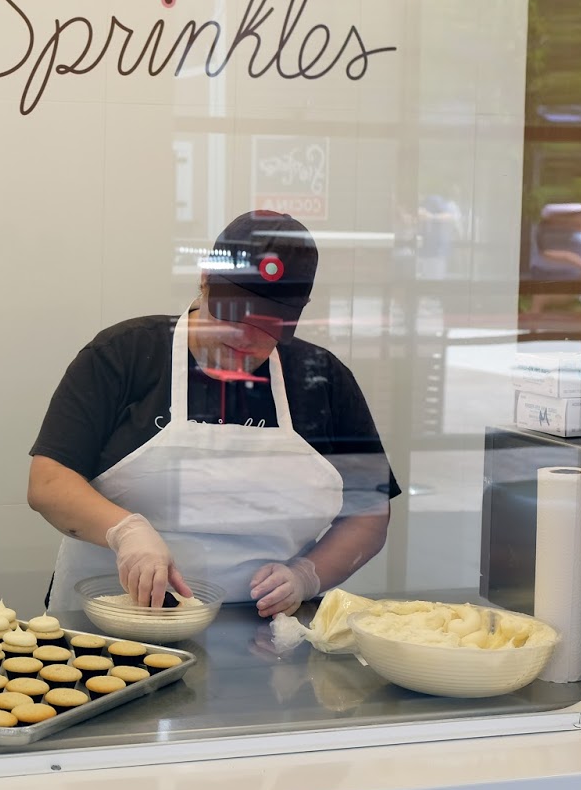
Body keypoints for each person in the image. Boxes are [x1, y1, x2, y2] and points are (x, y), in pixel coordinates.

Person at [27, 210, 398, 618]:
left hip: (264, 634)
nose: (246, 336)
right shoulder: (124, 355)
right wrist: (127, 533)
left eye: (269, 322)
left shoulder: (322, 379)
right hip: (110, 618)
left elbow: (369, 511)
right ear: (205, 280)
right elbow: (49, 483)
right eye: (234, 312)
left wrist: (308, 575)